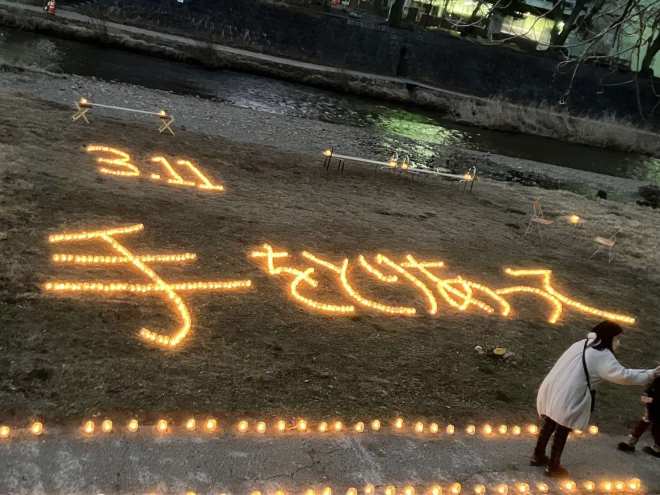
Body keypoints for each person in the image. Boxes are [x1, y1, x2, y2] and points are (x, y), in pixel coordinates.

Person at [530, 321, 659, 477]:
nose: (618, 342)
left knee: (550, 422)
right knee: (562, 428)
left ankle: (538, 455)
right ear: (609, 337)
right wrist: (651, 374)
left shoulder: (581, 344)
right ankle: (553, 466)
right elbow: (623, 375)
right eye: (617, 338)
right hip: (569, 395)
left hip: (554, 388)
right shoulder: (602, 355)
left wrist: (650, 372)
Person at [617, 376, 660, 457]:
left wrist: (651, 400)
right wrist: (646, 395)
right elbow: (650, 390)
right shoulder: (657, 379)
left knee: (656, 428)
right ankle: (631, 443)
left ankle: (658, 448)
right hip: (652, 406)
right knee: (643, 424)